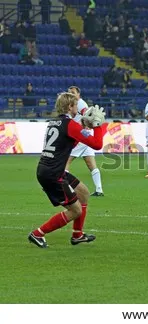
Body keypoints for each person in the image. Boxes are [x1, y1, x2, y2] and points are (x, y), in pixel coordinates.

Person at [28, 93, 104, 248]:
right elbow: (97, 144)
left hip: (50, 169)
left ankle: (77, 235)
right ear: (70, 107)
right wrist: (97, 126)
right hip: (53, 173)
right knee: (75, 210)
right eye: (75, 105)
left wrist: (83, 126)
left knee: (83, 192)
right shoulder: (70, 125)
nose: (77, 107)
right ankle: (37, 234)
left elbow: (70, 142)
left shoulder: (54, 122)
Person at [65, 86, 104, 196]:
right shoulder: (73, 104)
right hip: (86, 137)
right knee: (91, 164)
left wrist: (87, 123)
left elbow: (86, 113)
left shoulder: (80, 104)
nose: (71, 94)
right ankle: (99, 189)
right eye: (69, 92)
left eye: (73, 92)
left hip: (81, 137)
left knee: (65, 162)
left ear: (79, 94)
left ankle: (65, 189)